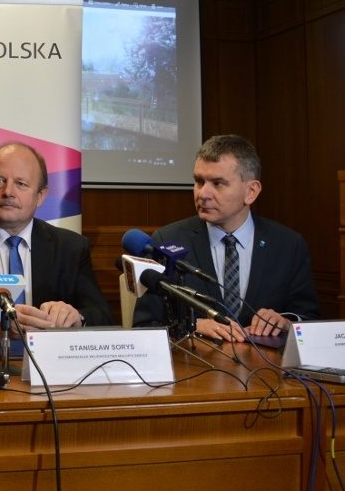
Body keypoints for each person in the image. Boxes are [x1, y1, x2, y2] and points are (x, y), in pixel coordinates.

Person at [132, 134, 318, 341]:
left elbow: (308, 319)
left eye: (218, 183)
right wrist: (190, 327)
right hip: (196, 359)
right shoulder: (167, 241)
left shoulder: (288, 245)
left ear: (251, 192)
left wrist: (286, 323)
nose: (203, 194)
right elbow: (145, 325)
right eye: (199, 181)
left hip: (265, 361)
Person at [0, 141, 113, 346]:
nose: (8, 192)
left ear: (41, 196)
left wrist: (77, 318)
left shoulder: (70, 247)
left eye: (21, 184)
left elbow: (101, 315)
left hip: (49, 358)